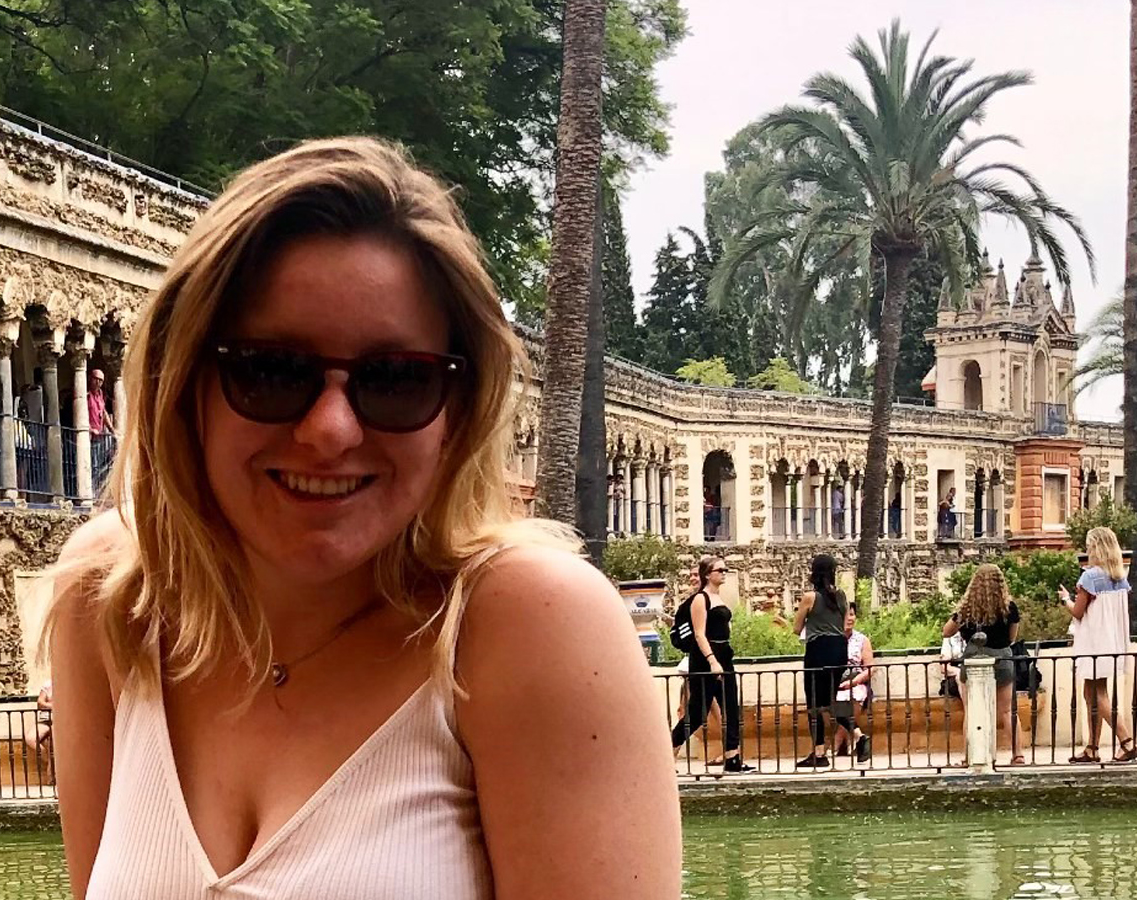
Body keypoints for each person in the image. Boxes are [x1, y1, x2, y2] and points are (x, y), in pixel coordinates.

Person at [46, 137, 679, 899]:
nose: (331, 430)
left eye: (395, 381)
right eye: (272, 371)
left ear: (456, 409)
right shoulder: (112, 599)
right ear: (186, 384)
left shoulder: (527, 626)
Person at [1062, 526, 1137, 763]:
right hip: (1112, 641)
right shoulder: (1118, 577)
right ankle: (1091, 748)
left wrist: (1066, 599)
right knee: (1092, 692)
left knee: (1097, 695)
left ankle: (1126, 741)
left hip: (1094, 641)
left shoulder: (1090, 576)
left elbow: (1078, 611)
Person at [669, 557, 752, 773]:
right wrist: (712, 660)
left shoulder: (718, 598)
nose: (724, 573)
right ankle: (668, 748)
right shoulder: (701, 599)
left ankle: (732, 756)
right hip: (706, 657)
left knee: (731, 706)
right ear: (708, 574)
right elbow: (699, 633)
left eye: (725, 569)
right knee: (697, 710)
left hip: (724, 653)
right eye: (720, 570)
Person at [944, 563, 1022, 765]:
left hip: (973, 658)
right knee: (1007, 710)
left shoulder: (968, 608)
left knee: (972, 710)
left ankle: (970, 756)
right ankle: (1018, 755)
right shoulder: (1009, 607)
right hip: (1002, 657)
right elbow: (1012, 637)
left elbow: (947, 631)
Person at [789, 554, 851, 768]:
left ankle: (819, 751)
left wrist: (812, 624)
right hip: (839, 648)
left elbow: (797, 629)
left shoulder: (810, 597)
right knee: (831, 701)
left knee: (815, 702)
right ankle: (858, 735)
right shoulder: (841, 596)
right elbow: (844, 627)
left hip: (818, 649)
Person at [831, 605, 873, 763]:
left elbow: (869, 669)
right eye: (845, 615)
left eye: (852, 614)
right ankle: (858, 738)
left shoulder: (862, 640)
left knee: (851, 698)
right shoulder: (832, 639)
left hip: (857, 682)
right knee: (835, 699)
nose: (849, 618)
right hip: (837, 682)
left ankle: (838, 742)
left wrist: (855, 681)